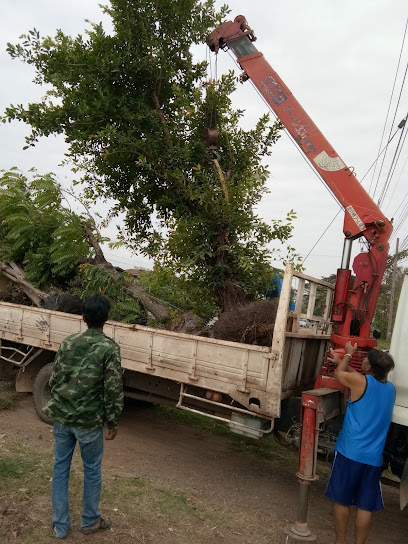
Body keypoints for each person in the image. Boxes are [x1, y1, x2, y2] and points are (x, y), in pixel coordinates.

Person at [43, 294, 124, 539]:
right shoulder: (109, 348)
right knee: (91, 469)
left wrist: (61, 405)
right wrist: (113, 421)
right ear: (107, 319)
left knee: (60, 467)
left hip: (63, 419)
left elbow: (54, 380)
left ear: (82, 317)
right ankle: (90, 521)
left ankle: (60, 525)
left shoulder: (68, 343)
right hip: (89, 423)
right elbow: (113, 389)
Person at [326, 341, 395, 544]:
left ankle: (340, 542)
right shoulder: (389, 389)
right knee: (365, 505)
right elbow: (360, 379)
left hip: (349, 453)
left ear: (369, 367)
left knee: (342, 499)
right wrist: (343, 362)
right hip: (372, 458)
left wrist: (347, 355)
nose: (362, 360)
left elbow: (340, 376)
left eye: (365, 359)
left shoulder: (361, 383)